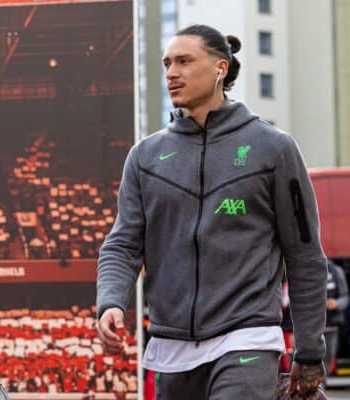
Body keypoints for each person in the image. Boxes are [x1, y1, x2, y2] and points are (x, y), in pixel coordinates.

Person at [96, 24, 327, 399]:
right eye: (167, 63)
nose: (171, 72)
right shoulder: (144, 157)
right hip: (172, 348)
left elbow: (304, 256)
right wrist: (110, 300)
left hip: (247, 338)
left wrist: (311, 349)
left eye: (184, 61)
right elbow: (122, 245)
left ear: (220, 68)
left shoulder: (275, 149)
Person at [323, 259, 349, 378]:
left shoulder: (336, 271)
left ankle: (322, 387)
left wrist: (337, 303)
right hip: (310, 324)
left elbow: (345, 297)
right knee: (310, 357)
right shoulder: (307, 269)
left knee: (328, 357)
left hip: (331, 324)